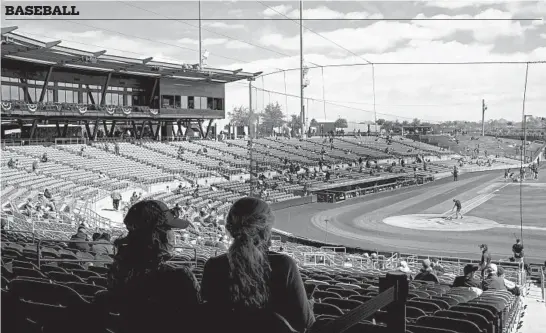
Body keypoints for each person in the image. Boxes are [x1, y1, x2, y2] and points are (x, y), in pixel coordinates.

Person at [200, 197, 315, 333]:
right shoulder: (284, 265)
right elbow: (305, 322)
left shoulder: (212, 266)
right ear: (265, 230)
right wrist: (309, 302)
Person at [104, 200, 200, 333]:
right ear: (157, 235)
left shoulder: (117, 272)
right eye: (168, 228)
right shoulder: (179, 277)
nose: (173, 235)